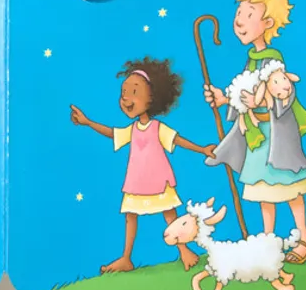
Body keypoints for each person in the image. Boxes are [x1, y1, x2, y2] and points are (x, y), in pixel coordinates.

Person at [203, 0, 306, 262]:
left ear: (267, 23)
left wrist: (261, 99)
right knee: (263, 190)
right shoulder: (252, 59)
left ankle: (305, 235)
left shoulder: (272, 60)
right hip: (258, 137)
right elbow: (244, 94)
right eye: (239, 14)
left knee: (288, 186)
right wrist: (224, 99)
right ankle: (268, 241)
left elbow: (283, 92)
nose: (239, 21)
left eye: (248, 15)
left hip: (275, 137)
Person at [71, 57, 215, 273]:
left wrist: (202, 149)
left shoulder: (157, 127)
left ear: (152, 97)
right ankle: (126, 258)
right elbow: (112, 133)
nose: (126, 97)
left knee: (169, 212)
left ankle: (184, 250)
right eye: (124, 92)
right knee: (130, 216)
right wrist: (88, 122)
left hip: (159, 179)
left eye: (134, 91)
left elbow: (177, 140)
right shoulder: (132, 129)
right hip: (136, 181)